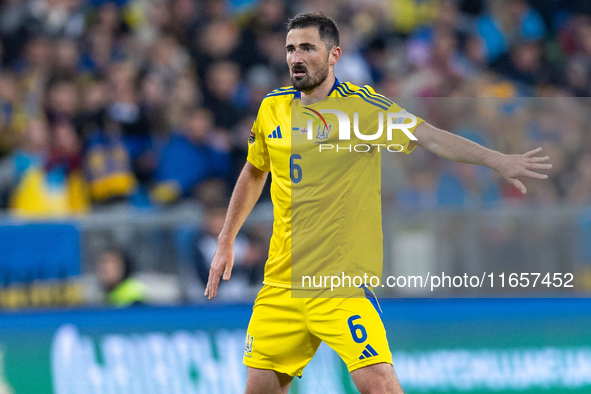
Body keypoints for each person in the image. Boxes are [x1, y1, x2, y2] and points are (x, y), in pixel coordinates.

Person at [205, 13, 552, 394]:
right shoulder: (273, 108)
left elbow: (431, 137)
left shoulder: (362, 109)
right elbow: (255, 171)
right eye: (290, 49)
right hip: (281, 285)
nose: (295, 57)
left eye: (307, 47)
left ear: (333, 54)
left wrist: (496, 159)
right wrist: (226, 239)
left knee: (379, 384)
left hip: (340, 285)